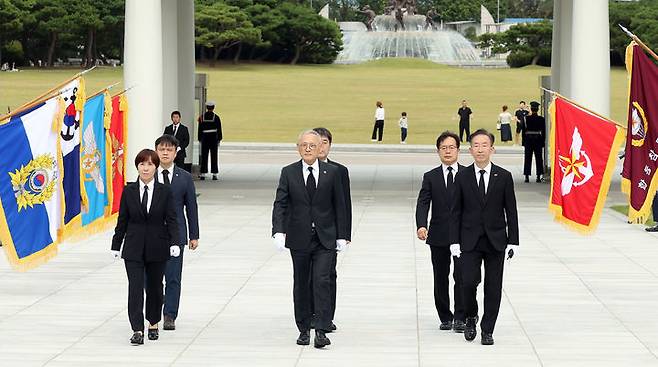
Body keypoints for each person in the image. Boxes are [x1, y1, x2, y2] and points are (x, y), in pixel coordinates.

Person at [272, 130, 348, 349]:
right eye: (304, 145)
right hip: (299, 238)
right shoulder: (289, 172)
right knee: (302, 283)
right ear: (298, 148)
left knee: (322, 281)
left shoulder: (332, 173)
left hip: (325, 238)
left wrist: (342, 235)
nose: (308, 149)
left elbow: (339, 206)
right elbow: (281, 203)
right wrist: (278, 230)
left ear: (319, 148)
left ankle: (322, 329)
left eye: (312, 146)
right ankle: (304, 329)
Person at [449, 129, 519, 346]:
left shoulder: (504, 176)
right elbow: (455, 211)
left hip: (496, 240)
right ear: (470, 150)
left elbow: (511, 210)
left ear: (492, 149)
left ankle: (487, 329)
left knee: (493, 286)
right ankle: (471, 316)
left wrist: (514, 241)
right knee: (467, 283)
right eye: (476, 145)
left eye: (484, 145)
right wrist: (454, 240)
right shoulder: (462, 176)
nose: (480, 149)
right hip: (469, 240)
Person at [111, 149, 180, 345]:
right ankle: (137, 329)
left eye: (150, 164)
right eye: (142, 164)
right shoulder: (129, 190)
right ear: (137, 167)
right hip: (133, 247)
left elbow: (172, 219)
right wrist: (116, 244)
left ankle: (153, 323)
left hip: (158, 246)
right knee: (135, 288)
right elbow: (122, 220)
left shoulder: (165, 191)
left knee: (155, 288)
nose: (146, 168)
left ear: (155, 167)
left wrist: (175, 242)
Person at [415, 131, 466, 333]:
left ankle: (461, 317)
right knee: (441, 277)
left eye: (451, 147)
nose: (447, 151)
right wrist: (421, 225)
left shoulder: (467, 174)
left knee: (462, 277)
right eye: (443, 148)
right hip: (438, 235)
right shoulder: (431, 176)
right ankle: (445, 316)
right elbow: (423, 203)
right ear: (438, 151)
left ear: (458, 150)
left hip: (463, 235)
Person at [154, 135, 200, 331]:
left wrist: (194, 235)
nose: (165, 153)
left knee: (173, 277)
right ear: (156, 151)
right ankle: (156, 308)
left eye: (169, 149)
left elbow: (191, 207)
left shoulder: (184, 177)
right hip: (153, 235)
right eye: (161, 149)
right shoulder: (149, 174)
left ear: (176, 152)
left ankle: (170, 314)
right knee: (153, 278)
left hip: (177, 235)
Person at [311, 127, 352, 332]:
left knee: (327, 275)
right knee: (309, 276)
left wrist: (344, 235)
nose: (321, 146)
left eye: (325, 142)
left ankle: (326, 316)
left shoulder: (339, 171)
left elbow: (344, 204)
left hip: (330, 234)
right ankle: (311, 314)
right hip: (307, 234)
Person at [198, 101, 223, 180]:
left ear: (207, 107)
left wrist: (200, 138)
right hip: (213, 138)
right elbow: (219, 129)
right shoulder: (216, 117)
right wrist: (219, 139)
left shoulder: (202, 117)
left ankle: (203, 173)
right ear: (213, 108)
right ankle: (214, 174)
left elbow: (200, 129)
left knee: (204, 156)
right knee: (214, 156)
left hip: (205, 138)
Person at [523, 101, 546, 183]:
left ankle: (526, 176)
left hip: (528, 139)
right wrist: (543, 141)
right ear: (538, 109)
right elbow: (543, 131)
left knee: (527, 158)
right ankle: (538, 176)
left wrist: (524, 142)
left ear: (531, 109)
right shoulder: (541, 119)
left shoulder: (526, 118)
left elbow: (523, 131)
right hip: (538, 140)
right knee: (539, 158)